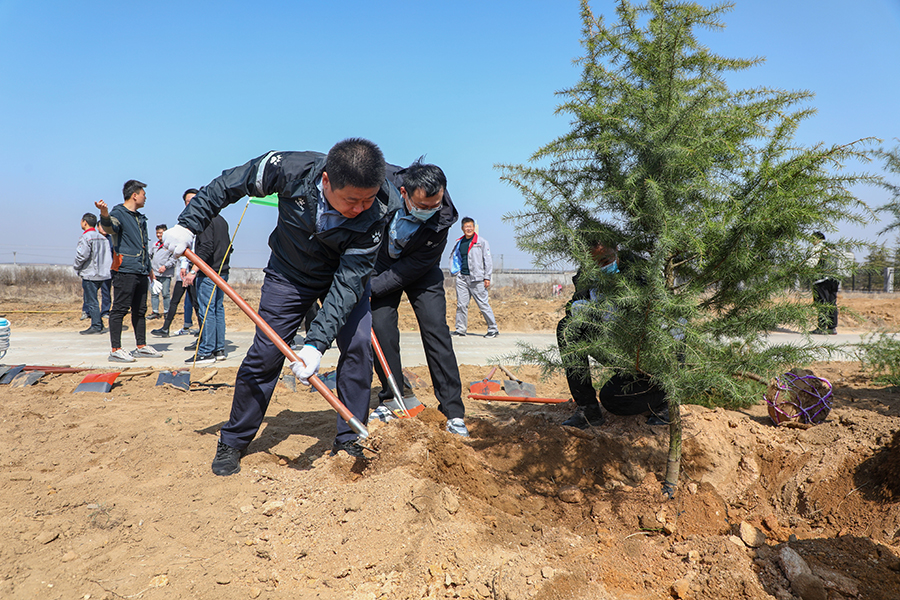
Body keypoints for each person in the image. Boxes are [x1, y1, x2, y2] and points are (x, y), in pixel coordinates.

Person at [162, 139, 401, 476]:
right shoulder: (289, 168)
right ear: (328, 180)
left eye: (368, 199)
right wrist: (189, 223)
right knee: (265, 354)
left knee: (360, 346)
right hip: (289, 274)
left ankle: (349, 439)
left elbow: (348, 283)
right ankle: (234, 439)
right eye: (352, 200)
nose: (361, 208)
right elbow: (228, 184)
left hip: (344, 278)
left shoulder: (378, 209)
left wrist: (316, 344)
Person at [369, 159, 468, 436]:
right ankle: (393, 397)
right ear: (404, 194)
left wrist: (372, 289)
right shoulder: (380, 182)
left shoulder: (443, 217)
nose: (430, 211)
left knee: (436, 329)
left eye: (434, 205)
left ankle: (453, 411)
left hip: (421, 269)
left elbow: (410, 269)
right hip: (380, 265)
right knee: (381, 327)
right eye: (422, 206)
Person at [557, 241, 669, 429]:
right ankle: (588, 409)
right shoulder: (586, 276)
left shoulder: (641, 272)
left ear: (617, 249)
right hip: (621, 353)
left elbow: (667, 323)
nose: (601, 267)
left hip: (650, 358)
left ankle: (664, 401)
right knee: (567, 328)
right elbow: (575, 304)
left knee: (614, 400)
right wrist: (578, 307)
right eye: (594, 263)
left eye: (605, 260)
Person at [95, 180, 164, 363]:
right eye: (143, 194)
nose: (145, 197)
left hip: (141, 270)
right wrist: (104, 213)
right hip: (125, 270)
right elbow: (110, 228)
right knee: (119, 309)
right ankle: (115, 349)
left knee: (140, 310)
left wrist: (149, 270)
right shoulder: (119, 213)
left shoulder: (139, 217)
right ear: (135, 195)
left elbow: (142, 245)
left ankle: (141, 346)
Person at [151, 189, 203, 338]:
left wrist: (192, 270)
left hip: (194, 272)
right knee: (175, 301)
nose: (190, 203)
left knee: (197, 304)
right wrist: (183, 267)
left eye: (193, 200)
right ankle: (165, 328)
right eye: (187, 201)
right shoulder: (183, 222)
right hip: (184, 271)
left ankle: (203, 331)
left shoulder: (202, 221)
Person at [185, 212, 231, 364]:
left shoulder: (206, 221)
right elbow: (229, 247)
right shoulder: (222, 220)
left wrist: (193, 271)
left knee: (207, 310)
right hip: (222, 272)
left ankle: (206, 351)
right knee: (217, 309)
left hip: (209, 273)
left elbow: (205, 248)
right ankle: (219, 349)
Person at [449, 217, 498, 338]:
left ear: (474, 227)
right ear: (462, 228)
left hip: (477, 279)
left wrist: (487, 277)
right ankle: (461, 329)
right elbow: (456, 258)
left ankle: (493, 329)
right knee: (461, 305)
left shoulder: (481, 242)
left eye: (471, 226)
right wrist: (456, 272)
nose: (469, 229)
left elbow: (488, 260)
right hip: (462, 278)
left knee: (483, 304)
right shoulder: (459, 243)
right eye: (466, 227)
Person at [73, 212, 112, 335]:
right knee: (96, 298)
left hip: (90, 273)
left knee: (92, 300)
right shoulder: (103, 238)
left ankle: (96, 326)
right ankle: (98, 323)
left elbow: (82, 255)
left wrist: (77, 267)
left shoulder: (86, 237)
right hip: (103, 274)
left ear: (84, 222)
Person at [810, 231, 839, 335]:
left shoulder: (818, 248)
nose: (811, 241)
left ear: (817, 239)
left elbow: (812, 264)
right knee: (832, 303)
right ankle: (832, 328)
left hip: (821, 280)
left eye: (812, 239)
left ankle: (821, 327)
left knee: (821, 303)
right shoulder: (832, 248)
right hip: (834, 280)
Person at [148, 224, 176, 320]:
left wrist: (165, 266)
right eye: (157, 233)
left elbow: (174, 259)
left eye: (160, 233)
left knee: (165, 294)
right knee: (154, 293)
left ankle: (167, 312)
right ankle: (155, 312)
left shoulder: (170, 245)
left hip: (165, 274)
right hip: (155, 274)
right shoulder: (154, 245)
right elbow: (149, 256)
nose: (158, 235)